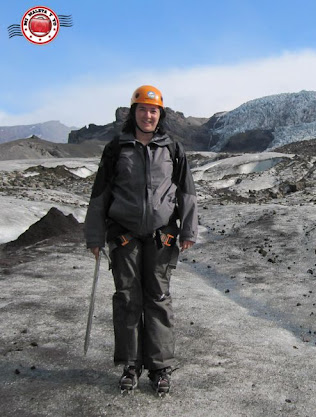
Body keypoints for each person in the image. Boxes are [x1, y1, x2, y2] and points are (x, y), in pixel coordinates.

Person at [84, 85, 198, 395]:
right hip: (124, 235)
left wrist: (188, 229)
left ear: (160, 114)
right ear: (133, 112)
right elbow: (100, 194)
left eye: (154, 110)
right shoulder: (116, 149)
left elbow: (186, 191)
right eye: (142, 109)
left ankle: (159, 368)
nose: (148, 115)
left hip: (162, 236)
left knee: (158, 299)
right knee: (127, 299)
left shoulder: (173, 149)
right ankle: (131, 364)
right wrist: (94, 235)